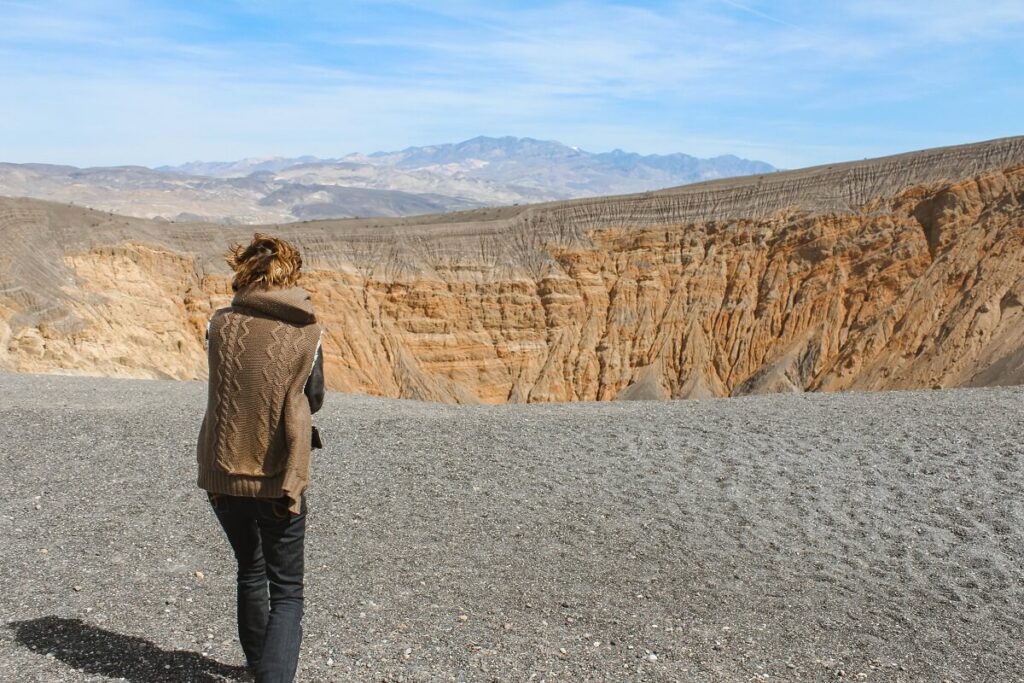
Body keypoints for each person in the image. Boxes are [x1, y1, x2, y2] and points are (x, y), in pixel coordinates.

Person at [196, 233, 325, 683]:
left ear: (244, 272)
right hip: (278, 473)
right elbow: (316, 397)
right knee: (287, 590)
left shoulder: (218, 322)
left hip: (220, 469)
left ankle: (256, 666)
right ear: (291, 274)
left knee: (249, 569)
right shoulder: (308, 331)